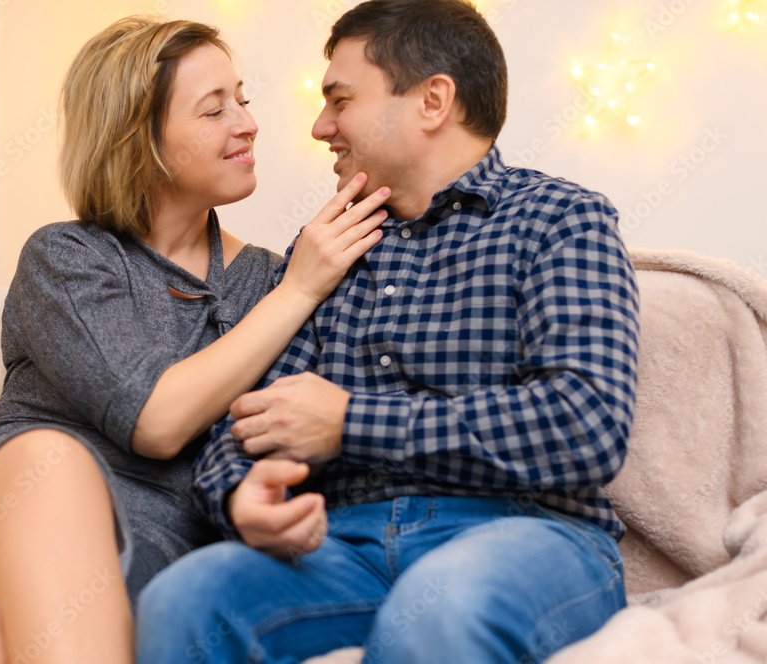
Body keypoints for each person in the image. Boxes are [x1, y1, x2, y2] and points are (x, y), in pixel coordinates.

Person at [135, 1, 641, 662]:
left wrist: (350, 423)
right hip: (345, 546)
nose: (320, 127)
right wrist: (239, 492)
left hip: (529, 535)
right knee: (186, 598)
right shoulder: (327, 251)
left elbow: (585, 424)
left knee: (444, 604)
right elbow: (251, 420)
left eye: (339, 100)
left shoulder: (560, 220)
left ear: (432, 101)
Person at [0, 16, 391, 664]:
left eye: (243, 99)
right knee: (54, 464)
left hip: (153, 545)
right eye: (214, 110)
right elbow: (155, 420)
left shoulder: (268, 276)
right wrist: (298, 292)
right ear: (140, 138)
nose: (247, 122)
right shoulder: (66, 257)